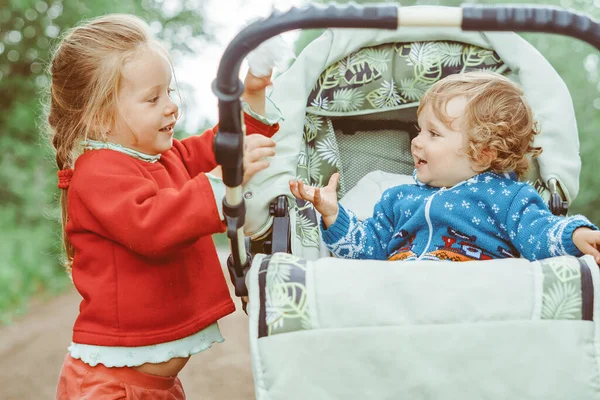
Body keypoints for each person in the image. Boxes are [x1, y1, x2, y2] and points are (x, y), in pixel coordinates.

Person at [48, 14, 280, 399]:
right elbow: (152, 224)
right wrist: (221, 182)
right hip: (110, 387)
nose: (172, 106)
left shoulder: (163, 157)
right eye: (153, 98)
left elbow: (220, 143)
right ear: (99, 117)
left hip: (155, 386)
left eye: (169, 91)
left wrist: (252, 95)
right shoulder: (97, 173)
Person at [289, 71, 600, 263]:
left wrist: (574, 235)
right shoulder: (396, 199)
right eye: (419, 131)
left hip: (470, 303)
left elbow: (540, 232)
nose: (416, 142)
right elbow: (368, 248)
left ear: (482, 153)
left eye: (433, 134)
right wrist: (334, 216)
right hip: (401, 301)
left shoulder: (510, 199)